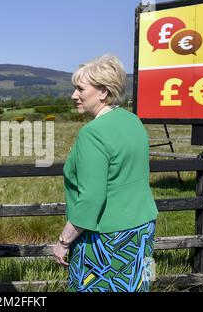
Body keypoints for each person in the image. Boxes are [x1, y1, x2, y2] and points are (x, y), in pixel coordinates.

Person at [53, 54, 158, 292]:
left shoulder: (93, 134)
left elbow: (91, 199)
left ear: (103, 92)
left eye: (80, 88)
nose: (73, 95)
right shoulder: (133, 121)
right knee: (140, 285)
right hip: (143, 232)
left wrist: (63, 241)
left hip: (107, 240)